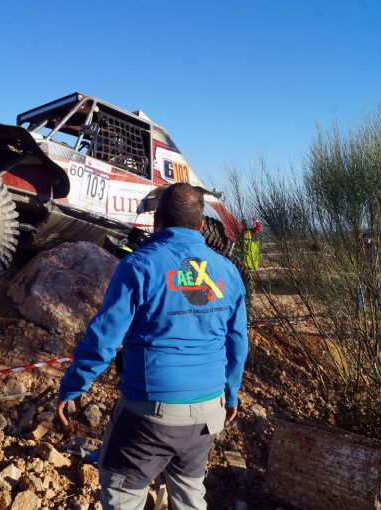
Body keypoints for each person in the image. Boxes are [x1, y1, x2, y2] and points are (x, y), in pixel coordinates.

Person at [57, 183, 249, 510]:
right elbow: (237, 342)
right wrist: (231, 395)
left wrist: (73, 386)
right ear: (202, 224)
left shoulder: (140, 266)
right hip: (208, 413)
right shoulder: (227, 272)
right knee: (189, 496)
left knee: (122, 492)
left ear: (156, 220)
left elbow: (105, 338)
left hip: (149, 415)